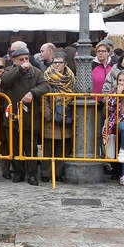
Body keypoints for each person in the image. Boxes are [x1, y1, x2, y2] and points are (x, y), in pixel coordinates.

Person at [1, 47, 50, 186]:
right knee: (15, 147)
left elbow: (46, 86)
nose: (25, 62)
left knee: (31, 147)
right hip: (13, 116)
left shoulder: (36, 72)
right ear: (14, 61)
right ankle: (18, 172)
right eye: (21, 59)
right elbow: (5, 81)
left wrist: (33, 93)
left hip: (30, 116)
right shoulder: (10, 71)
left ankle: (32, 174)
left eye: (26, 59)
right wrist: (19, 69)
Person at [41, 52, 75, 183]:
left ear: (65, 64)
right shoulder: (46, 77)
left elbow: (75, 94)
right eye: (54, 62)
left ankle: (59, 173)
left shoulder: (71, 78)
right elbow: (43, 97)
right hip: (51, 116)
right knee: (48, 146)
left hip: (66, 115)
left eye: (59, 62)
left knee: (63, 146)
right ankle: (46, 173)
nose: (56, 65)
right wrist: (48, 114)